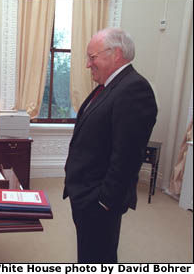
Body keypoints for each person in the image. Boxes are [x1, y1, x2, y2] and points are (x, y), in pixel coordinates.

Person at [63, 28, 158, 263]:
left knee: (99, 258)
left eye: (92, 57)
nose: (87, 64)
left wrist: (104, 202)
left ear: (116, 54)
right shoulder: (109, 86)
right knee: (89, 255)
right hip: (85, 194)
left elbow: (127, 156)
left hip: (98, 201)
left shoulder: (135, 89)